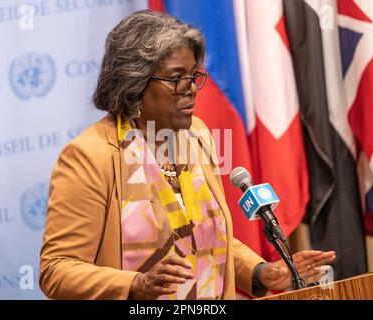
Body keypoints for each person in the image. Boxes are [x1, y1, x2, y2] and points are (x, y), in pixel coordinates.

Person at [39, 9, 335, 300]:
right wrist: (135, 284)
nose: (192, 88)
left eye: (194, 75)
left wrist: (260, 272)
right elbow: (57, 270)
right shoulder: (89, 156)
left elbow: (204, 238)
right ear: (134, 82)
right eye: (176, 78)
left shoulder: (197, 136)